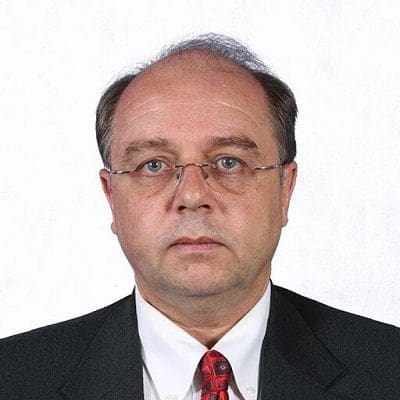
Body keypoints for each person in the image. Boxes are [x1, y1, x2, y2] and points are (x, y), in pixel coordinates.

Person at [1, 33, 399, 400]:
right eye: (153, 165)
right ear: (111, 197)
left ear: (284, 189)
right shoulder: (13, 378)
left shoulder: (389, 371)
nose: (192, 196)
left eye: (229, 162)